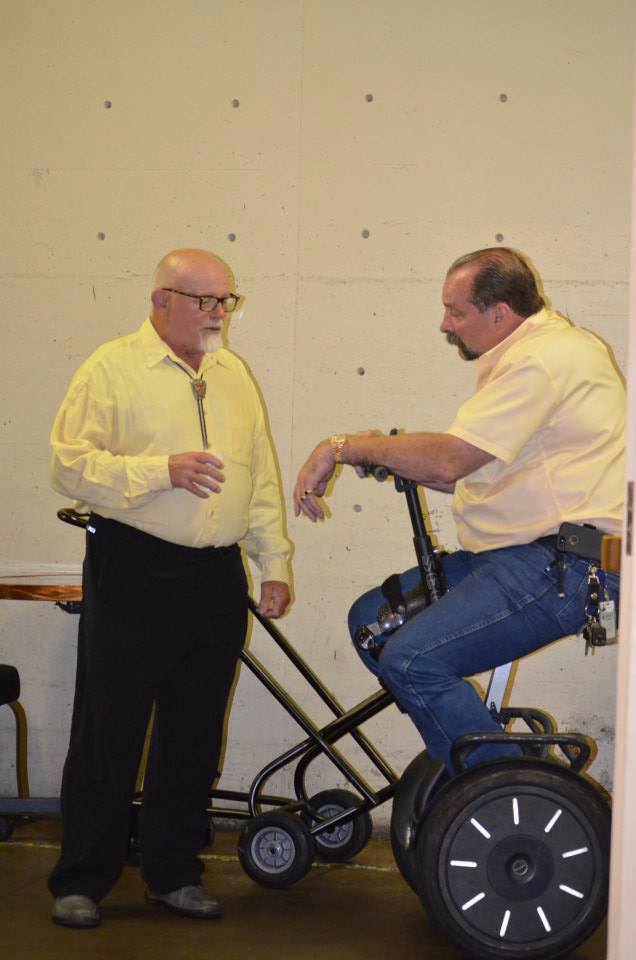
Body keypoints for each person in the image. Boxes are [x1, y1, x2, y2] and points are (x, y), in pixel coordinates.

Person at [294, 247, 623, 775]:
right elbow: (481, 472)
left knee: (414, 660)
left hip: (563, 567)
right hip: (528, 557)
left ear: (500, 313)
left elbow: (450, 461)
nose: (444, 324)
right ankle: (482, 767)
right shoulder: (538, 354)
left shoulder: (541, 360)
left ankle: (507, 792)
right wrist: (395, 454)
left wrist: (346, 446)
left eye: (456, 311)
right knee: (373, 625)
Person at [48, 248, 291, 928]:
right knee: (109, 730)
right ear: (162, 300)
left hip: (216, 574)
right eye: (206, 301)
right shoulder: (112, 368)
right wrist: (161, 471)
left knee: (194, 732)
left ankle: (173, 873)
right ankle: (81, 880)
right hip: (134, 567)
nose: (219, 314)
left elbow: (260, 478)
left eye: (225, 301)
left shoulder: (233, 374)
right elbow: (69, 466)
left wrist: (273, 565)